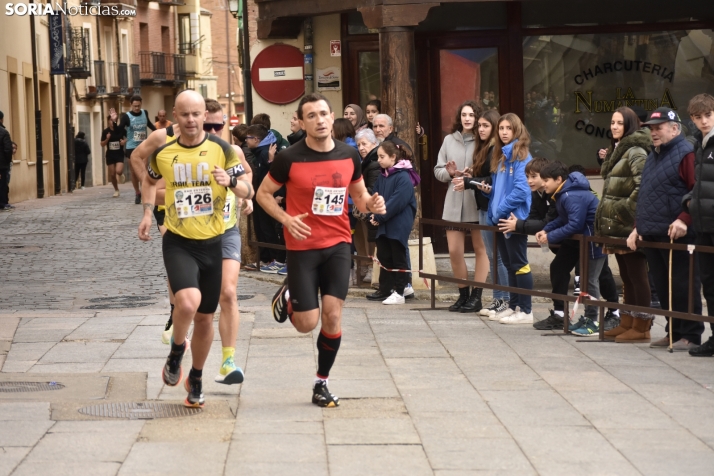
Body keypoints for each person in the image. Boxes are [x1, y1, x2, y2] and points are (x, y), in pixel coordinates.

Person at [258, 92, 386, 408]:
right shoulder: (289, 158)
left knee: (332, 314)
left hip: (338, 244)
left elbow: (359, 196)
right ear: (302, 122)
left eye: (323, 114)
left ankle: (321, 383)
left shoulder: (349, 155)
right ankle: (288, 296)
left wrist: (372, 203)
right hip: (301, 248)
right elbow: (262, 194)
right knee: (306, 324)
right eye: (311, 115)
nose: (319, 120)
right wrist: (286, 218)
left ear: (332, 118)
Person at [138, 90, 254, 408]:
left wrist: (232, 184)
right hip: (178, 241)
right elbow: (148, 181)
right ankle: (177, 352)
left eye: (196, 114)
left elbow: (248, 187)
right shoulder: (163, 151)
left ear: (206, 115)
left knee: (205, 318)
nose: (191, 120)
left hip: (214, 243)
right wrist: (148, 212)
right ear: (175, 116)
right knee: (187, 303)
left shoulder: (223, 150)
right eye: (184, 114)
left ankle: (197, 377)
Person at [629, 107, 703, 351]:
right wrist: (637, 227)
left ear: (674, 128)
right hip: (654, 232)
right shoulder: (654, 154)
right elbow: (647, 194)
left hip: (677, 233)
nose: (653, 133)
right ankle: (673, 331)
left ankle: (690, 334)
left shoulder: (686, 153)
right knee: (663, 286)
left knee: (683, 285)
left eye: (658, 128)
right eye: (651, 128)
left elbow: (696, 191)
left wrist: (684, 218)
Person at [595, 107, 653, 342]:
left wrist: (622, 211)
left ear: (630, 125)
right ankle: (627, 321)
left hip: (628, 224)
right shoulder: (617, 150)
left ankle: (642, 327)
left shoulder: (635, 150)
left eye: (620, 123)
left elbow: (643, 187)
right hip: (615, 225)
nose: (615, 126)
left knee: (638, 276)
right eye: (612, 122)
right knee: (626, 276)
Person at [536, 162, 607, 336]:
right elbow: (563, 218)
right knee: (574, 274)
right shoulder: (564, 193)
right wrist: (547, 229)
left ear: (558, 179)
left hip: (591, 242)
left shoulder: (569, 195)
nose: (543, 183)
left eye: (546, 180)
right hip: (582, 241)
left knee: (590, 281)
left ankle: (594, 321)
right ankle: (581, 316)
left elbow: (575, 224)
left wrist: (551, 236)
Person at [478, 113, 534, 324]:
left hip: (513, 219)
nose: (503, 132)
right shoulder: (500, 154)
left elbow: (522, 189)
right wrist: (488, 193)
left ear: (516, 130)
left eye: (508, 128)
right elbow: (501, 189)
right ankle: (513, 306)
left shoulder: (520, 156)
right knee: (510, 265)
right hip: (500, 218)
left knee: (519, 264)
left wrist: (499, 209)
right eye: (501, 128)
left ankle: (526, 310)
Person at [435, 101, 488, 313]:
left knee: (480, 249)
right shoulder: (449, 140)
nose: (468, 118)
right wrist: (450, 173)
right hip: (454, 202)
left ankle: (478, 296)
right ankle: (463, 295)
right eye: (464, 114)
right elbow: (438, 171)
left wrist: (472, 173)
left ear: (477, 118)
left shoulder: (484, 140)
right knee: (454, 251)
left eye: (472, 115)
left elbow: (490, 170)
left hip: (477, 201)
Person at [456, 110, 510, 317]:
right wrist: (471, 175)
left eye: (486, 125)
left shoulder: (498, 149)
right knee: (492, 255)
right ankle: (498, 299)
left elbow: (495, 179)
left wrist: (469, 182)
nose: (481, 129)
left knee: (498, 257)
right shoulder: (484, 148)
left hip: (495, 207)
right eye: (480, 126)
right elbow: (485, 175)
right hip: (484, 205)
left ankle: (505, 299)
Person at [683, 93, 714, 357]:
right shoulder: (699, 144)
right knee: (709, 283)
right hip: (703, 225)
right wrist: (689, 202)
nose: (703, 121)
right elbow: (698, 185)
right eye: (697, 117)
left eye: (708, 115)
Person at [370, 141, 418, 304]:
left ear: (393, 157)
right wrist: (374, 213)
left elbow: (396, 202)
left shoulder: (403, 177)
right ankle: (386, 288)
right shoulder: (383, 175)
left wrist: (378, 216)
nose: (379, 160)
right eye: (378, 157)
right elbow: (375, 195)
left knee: (398, 255)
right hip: (385, 220)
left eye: (382, 157)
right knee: (384, 254)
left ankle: (400, 290)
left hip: (398, 222)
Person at [246, 124, 286, 273]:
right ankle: (268, 258)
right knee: (263, 227)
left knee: (269, 228)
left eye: (248, 138)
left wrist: (277, 196)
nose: (246, 141)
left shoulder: (264, 153)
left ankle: (276, 259)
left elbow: (273, 175)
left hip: (269, 196)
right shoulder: (260, 152)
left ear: (256, 139)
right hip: (262, 196)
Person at [112, 95, 156, 204]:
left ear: (141, 104)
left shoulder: (145, 113)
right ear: (131, 105)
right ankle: (137, 192)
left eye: (138, 106)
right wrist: (114, 121)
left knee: (143, 169)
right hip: (131, 147)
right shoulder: (126, 117)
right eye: (135, 106)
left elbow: (150, 125)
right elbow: (118, 130)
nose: (137, 108)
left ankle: (145, 191)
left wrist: (159, 132)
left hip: (144, 145)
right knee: (134, 171)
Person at [354, 129, 381, 285]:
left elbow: (372, 188)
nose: (361, 148)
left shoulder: (375, 162)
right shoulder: (367, 161)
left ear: (374, 143)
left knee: (371, 239)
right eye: (359, 145)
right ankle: (366, 266)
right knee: (363, 237)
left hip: (372, 206)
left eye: (364, 144)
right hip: (365, 205)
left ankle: (371, 267)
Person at [100, 114, 127, 198]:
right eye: (110, 120)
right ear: (108, 121)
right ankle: (116, 190)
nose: (112, 122)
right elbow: (102, 144)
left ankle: (121, 174)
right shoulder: (105, 131)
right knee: (112, 174)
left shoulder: (120, 130)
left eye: (113, 120)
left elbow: (128, 137)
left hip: (119, 153)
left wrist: (124, 141)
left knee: (118, 171)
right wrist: (107, 138)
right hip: (110, 154)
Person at [0, 111, 12, 211]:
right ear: (1, 119)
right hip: (2, 165)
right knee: (3, 184)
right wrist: (8, 162)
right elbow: (8, 149)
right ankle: (3, 203)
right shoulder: (4, 132)